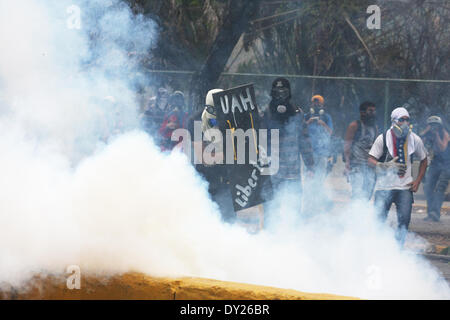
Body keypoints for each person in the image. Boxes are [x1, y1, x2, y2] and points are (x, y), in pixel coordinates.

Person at [368, 107, 428, 245]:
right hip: (383, 187)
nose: (405, 123)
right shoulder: (383, 138)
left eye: (407, 120)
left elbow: (424, 159)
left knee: (404, 221)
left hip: (404, 187)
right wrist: (383, 166)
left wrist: (417, 181)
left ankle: (398, 252)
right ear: (394, 121)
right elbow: (370, 159)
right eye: (402, 120)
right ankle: (376, 248)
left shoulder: (414, 139)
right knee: (378, 221)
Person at [265, 78, 315, 212]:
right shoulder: (266, 113)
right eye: (277, 92)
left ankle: (293, 231)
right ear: (272, 93)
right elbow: (259, 141)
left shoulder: (298, 114)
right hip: (272, 170)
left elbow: (304, 140)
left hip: (292, 169)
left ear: (289, 93)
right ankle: (270, 232)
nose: (280, 96)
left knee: (294, 206)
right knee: (271, 206)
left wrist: (310, 165)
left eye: (283, 92)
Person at [344, 101, 378, 200]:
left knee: (368, 193)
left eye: (374, 111)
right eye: (370, 111)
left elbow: (376, 146)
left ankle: (363, 213)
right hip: (356, 165)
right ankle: (355, 213)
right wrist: (347, 164)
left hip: (369, 166)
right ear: (362, 112)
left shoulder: (374, 127)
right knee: (357, 193)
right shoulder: (354, 126)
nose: (373, 113)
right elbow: (347, 145)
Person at [421, 116, 449, 222]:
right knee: (428, 187)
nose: (434, 127)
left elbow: (442, 148)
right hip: (436, 161)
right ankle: (430, 213)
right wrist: (426, 132)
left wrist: (436, 135)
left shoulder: (444, 133)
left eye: (435, 125)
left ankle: (435, 213)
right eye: (431, 125)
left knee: (440, 188)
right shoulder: (429, 133)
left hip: (447, 162)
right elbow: (419, 143)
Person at [304, 95, 333, 179]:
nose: (316, 106)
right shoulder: (306, 116)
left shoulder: (326, 117)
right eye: (314, 104)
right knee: (308, 177)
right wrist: (308, 122)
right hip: (309, 152)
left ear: (322, 106)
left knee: (320, 178)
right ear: (311, 105)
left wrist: (323, 124)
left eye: (318, 104)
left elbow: (330, 132)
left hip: (322, 153)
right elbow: (300, 131)